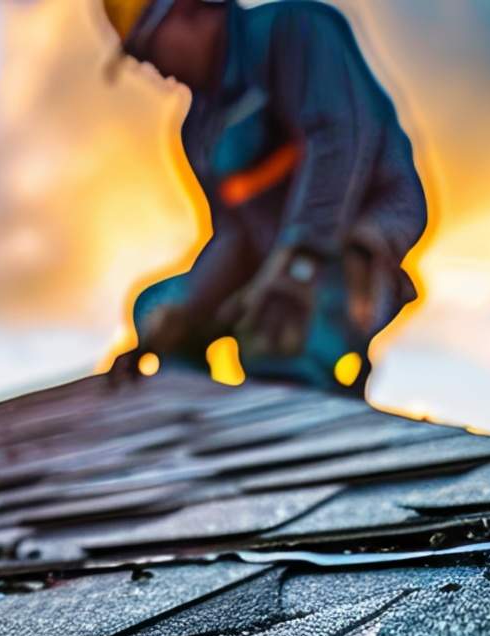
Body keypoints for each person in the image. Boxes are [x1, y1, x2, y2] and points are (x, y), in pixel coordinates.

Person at [101, 0, 426, 396]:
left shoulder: (297, 32)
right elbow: (234, 235)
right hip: (268, 269)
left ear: (186, 8)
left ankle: (304, 428)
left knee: (278, 334)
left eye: (145, 48)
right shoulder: (200, 130)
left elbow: (336, 144)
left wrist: (298, 263)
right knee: (155, 309)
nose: (153, 68)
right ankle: (193, 426)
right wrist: (184, 313)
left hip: (346, 255)